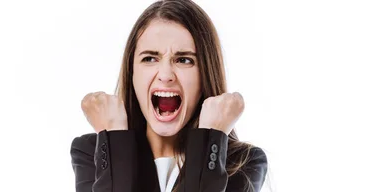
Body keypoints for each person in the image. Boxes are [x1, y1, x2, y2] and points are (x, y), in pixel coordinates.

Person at [70, 0, 268, 192]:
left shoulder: (243, 162)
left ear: (206, 73)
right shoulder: (91, 152)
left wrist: (211, 137)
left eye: (184, 60)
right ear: (132, 73)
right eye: (150, 58)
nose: (165, 76)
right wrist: (113, 135)